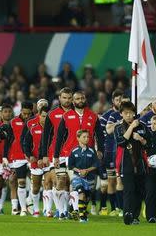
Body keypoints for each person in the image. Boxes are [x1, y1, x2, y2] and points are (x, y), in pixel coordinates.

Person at [54, 91, 105, 220]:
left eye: (82, 98)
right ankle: (72, 211)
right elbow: (59, 137)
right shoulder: (66, 116)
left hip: (89, 155)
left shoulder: (93, 116)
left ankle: (74, 208)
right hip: (69, 154)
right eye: (77, 98)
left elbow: (100, 135)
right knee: (76, 184)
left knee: (89, 189)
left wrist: (100, 150)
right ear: (73, 101)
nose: (80, 100)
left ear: (85, 99)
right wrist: (56, 156)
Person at [114, 101, 151, 225]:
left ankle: (135, 216)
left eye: (131, 113)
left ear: (134, 113)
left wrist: (140, 139)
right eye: (126, 113)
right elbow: (121, 142)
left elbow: (149, 144)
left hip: (140, 164)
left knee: (139, 191)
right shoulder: (118, 127)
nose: (129, 115)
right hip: (126, 164)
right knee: (129, 190)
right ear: (121, 114)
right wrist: (131, 127)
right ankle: (127, 214)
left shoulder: (142, 126)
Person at [40, 87, 73, 218]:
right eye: (64, 97)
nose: (67, 100)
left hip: (72, 152)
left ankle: (66, 209)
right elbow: (46, 136)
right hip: (56, 153)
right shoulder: (52, 114)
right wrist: (44, 155)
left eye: (69, 98)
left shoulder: (76, 113)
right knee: (59, 181)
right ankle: (61, 210)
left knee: (70, 183)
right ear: (59, 98)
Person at [3, 101, 34, 216]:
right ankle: (23, 209)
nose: (26, 116)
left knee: (36, 180)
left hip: (32, 155)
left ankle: (29, 201)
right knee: (19, 181)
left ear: (32, 112)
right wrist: (5, 156)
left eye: (28, 114)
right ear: (21, 111)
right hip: (17, 155)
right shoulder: (13, 122)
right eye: (24, 113)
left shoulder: (35, 121)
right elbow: (8, 140)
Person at [98, 89, 123, 216]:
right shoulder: (106, 117)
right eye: (117, 100)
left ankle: (117, 208)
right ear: (113, 101)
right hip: (109, 152)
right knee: (107, 182)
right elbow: (101, 135)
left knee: (116, 181)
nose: (119, 102)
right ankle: (105, 207)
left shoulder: (127, 114)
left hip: (121, 152)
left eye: (121, 99)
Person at [23, 105, 49, 217]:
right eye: (43, 116)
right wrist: (29, 155)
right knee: (36, 187)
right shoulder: (33, 128)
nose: (45, 119)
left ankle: (47, 210)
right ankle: (36, 209)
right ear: (39, 116)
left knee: (48, 184)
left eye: (47, 117)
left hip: (48, 161)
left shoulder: (53, 129)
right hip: (35, 161)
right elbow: (26, 143)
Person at [68, 130, 99, 223]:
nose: (86, 139)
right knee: (81, 193)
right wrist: (79, 171)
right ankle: (82, 217)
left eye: (88, 137)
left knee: (87, 197)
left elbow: (96, 164)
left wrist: (87, 170)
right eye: (84, 137)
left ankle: (74, 210)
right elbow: (70, 166)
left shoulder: (92, 151)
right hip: (77, 177)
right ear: (78, 138)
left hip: (89, 177)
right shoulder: (74, 151)